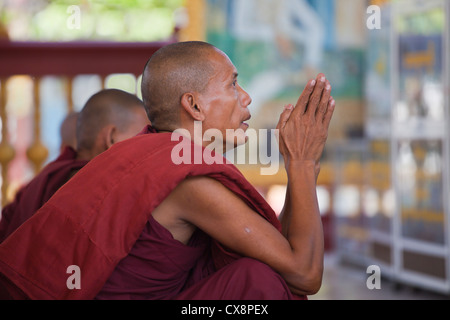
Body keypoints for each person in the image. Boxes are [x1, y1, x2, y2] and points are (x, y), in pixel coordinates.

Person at [0, 41, 334, 300]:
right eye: (233, 84)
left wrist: (299, 167)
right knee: (257, 283)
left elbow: (282, 251)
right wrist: (303, 164)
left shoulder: (160, 156)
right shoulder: (187, 181)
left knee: (257, 273)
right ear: (194, 105)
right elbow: (304, 273)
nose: (246, 98)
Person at [0, 89, 149, 244]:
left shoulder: (43, 180)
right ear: (111, 137)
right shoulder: (97, 189)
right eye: (143, 139)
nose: (150, 151)